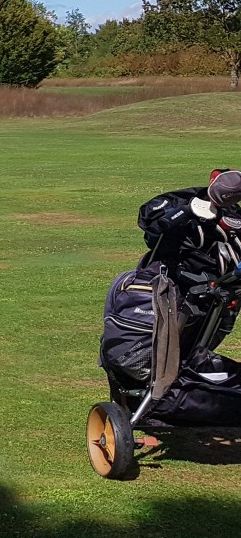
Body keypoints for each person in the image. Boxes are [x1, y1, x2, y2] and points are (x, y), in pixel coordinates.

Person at [100, 168, 241, 424]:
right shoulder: (186, 203)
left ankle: (175, 394)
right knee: (159, 349)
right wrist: (189, 211)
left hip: (208, 295)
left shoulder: (233, 217)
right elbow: (154, 225)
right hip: (169, 289)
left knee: (191, 349)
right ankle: (147, 402)